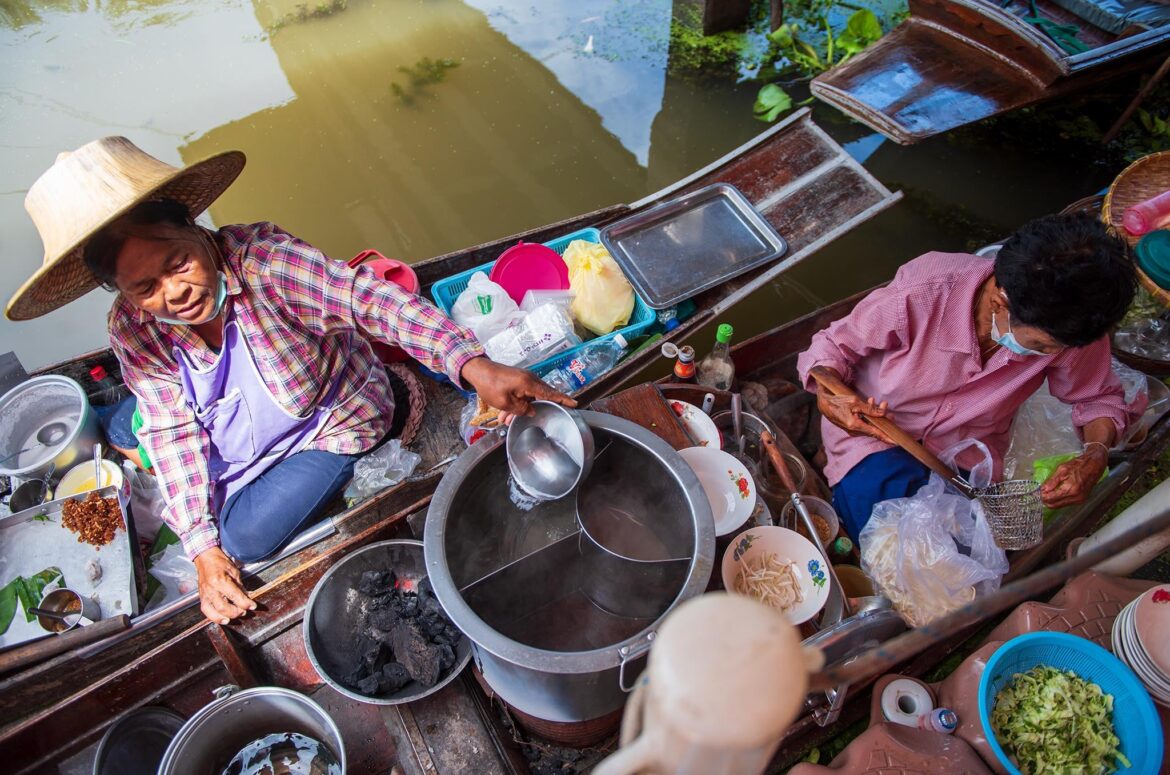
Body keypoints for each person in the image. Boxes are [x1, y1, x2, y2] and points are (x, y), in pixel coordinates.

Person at [8, 136, 572, 624]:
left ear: (196, 231)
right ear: (122, 292)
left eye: (178, 263)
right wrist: (200, 551)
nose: (173, 294)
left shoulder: (265, 264)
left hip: (332, 419)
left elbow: (368, 299)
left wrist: (471, 364)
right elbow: (171, 430)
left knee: (244, 540)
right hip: (241, 440)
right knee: (136, 438)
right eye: (145, 287)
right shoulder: (134, 329)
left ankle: (382, 417)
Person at [796, 213, 1145, 541]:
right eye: (1043, 345)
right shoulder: (927, 287)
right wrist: (832, 398)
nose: (1054, 355)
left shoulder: (1073, 325)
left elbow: (1098, 398)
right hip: (875, 434)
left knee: (963, 552)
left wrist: (1095, 455)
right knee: (882, 533)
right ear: (999, 300)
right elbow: (830, 350)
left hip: (967, 460)